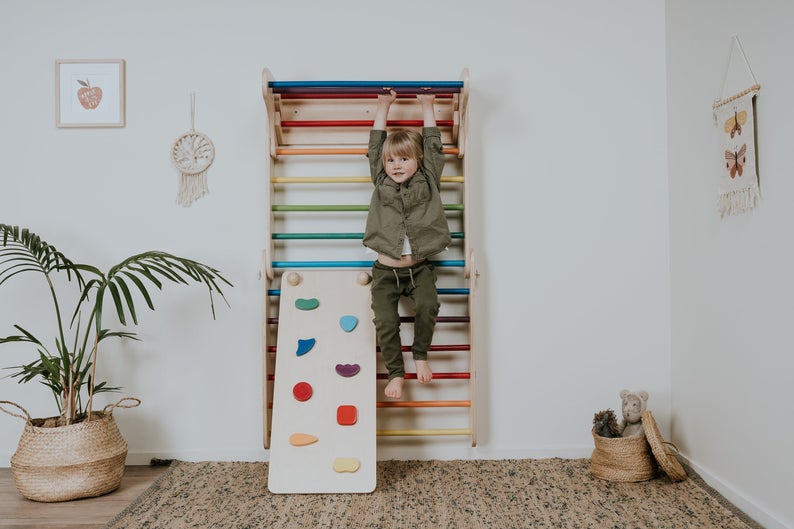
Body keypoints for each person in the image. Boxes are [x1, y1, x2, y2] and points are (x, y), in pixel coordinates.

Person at [364, 90, 451, 399]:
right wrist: (383, 105)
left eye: (404, 159)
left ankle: (421, 353)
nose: (396, 165)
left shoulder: (429, 178)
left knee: (428, 306)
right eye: (391, 160)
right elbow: (375, 147)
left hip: (420, 270)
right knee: (385, 324)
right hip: (385, 273)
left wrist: (428, 106)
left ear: (419, 161)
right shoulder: (380, 178)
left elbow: (432, 145)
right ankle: (396, 373)